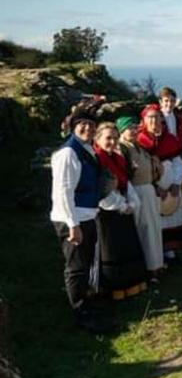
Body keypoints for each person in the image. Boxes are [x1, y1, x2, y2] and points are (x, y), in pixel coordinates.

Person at [50, 109, 112, 332]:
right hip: (73, 218)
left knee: (85, 264)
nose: (88, 128)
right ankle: (80, 314)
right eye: (82, 124)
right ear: (73, 126)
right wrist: (72, 225)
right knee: (76, 267)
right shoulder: (68, 154)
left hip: (86, 215)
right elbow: (63, 192)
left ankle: (86, 304)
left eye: (91, 125)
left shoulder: (86, 150)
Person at [93, 122, 148, 300]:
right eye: (108, 138)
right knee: (112, 250)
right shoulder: (97, 159)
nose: (112, 141)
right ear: (98, 139)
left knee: (127, 247)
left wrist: (132, 202)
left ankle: (131, 286)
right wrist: (122, 205)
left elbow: (125, 182)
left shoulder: (118, 158)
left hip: (123, 208)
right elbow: (102, 191)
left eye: (115, 138)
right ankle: (114, 290)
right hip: (108, 212)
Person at [118, 115, 165, 280]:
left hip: (148, 190)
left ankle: (157, 264)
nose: (132, 131)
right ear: (121, 131)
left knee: (153, 227)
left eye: (134, 128)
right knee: (143, 229)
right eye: (128, 128)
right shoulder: (122, 149)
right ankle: (147, 267)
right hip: (136, 191)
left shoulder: (140, 147)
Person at [137, 104, 182, 257]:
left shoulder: (169, 138)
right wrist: (155, 186)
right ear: (144, 120)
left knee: (172, 215)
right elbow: (140, 168)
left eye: (157, 117)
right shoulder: (140, 140)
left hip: (172, 187)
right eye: (150, 117)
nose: (154, 120)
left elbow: (178, 163)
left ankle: (170, 249)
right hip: (152, 187)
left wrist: (176, 183)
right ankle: (155, 251)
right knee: (155, 219)